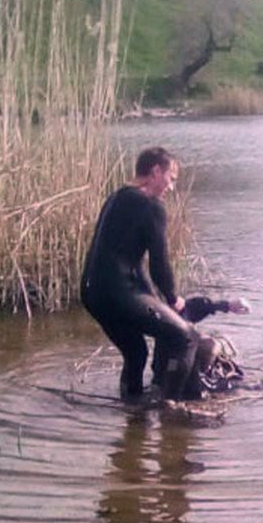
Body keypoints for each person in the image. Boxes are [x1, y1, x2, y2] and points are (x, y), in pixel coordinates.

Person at [81, 147, 199, 401]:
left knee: (136, 353)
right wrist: (172, 297)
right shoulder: (150, 204)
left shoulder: (117, 197)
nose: (171, 186)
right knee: (186, 337)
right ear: (155, 172)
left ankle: (132, 411)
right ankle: (170, 406)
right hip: (116, 292)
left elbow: (132, 262)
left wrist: (154, 298)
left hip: (93, 294)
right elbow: (159, 262)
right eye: (171, 178)